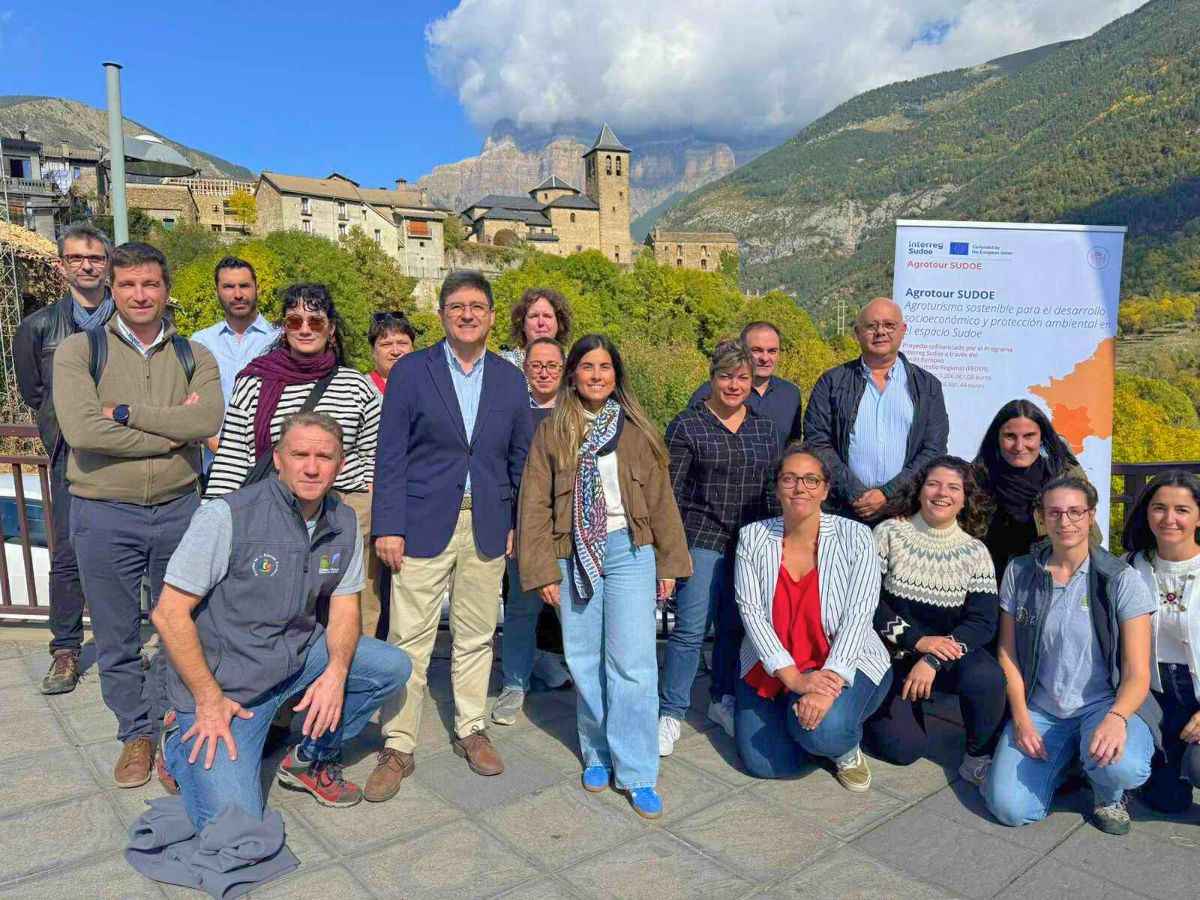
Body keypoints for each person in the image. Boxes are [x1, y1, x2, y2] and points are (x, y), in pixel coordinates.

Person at [152, 413, 412, 818]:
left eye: (324, 456)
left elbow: (345, 608)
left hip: (294, 659)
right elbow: (169, 614)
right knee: (234, 824)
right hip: (227, 686)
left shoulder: (342, 520)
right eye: (300, 454)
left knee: (390, 666)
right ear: (277, 459)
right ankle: (176, 742)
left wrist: (336, 676)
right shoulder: (227, 516)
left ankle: (309, 758)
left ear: (340, 464)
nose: (312, 466)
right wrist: (207, 699)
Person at [53, 242, 223, 788]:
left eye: (150, 284)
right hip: (104, 514)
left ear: (166, 289)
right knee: (117, 635)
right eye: (127, 285)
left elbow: (211, 420)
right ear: (112, 290)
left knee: (184, 629)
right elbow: (82, 432)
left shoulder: (196, 356)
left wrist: (124, 416)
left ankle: (175, 732)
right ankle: (135, 733)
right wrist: (173, 432)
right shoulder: (80, 353)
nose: (140, 294)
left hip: (179, 510)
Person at [370, 270, 533, 800]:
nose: (467, 314)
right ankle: (398, 743)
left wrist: (512, 523)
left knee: (477, 634)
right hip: (419, 523)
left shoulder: (510, 379)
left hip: (485, 524)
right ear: (441, 314)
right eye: (457, 306)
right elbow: (390, 454)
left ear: (490, 315)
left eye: (477, 306)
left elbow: (519, 459)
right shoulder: (413, 371)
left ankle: (470, 727)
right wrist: (388, 525)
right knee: (408, 638)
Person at [518, 334, 690, 818]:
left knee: (634, 662)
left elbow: (660, 501)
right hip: (572, 553)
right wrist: (543, 569)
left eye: (606, 367)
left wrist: (669, 565)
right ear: (573, 374)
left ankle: (636, 770)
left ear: (617, 375)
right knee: (584, 656)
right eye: (588, 366)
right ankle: (596, 751)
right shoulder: (553, 431)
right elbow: (533, 504)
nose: (597, 375)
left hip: (630, 552)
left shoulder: (637, 430)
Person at [983, 475, 1159, 836]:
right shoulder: (1019, 572)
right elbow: (1008, 653)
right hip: (1042, 707)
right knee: (1010, 809)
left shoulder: (1119, 579)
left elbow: (1138, 671)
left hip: (1102, 704)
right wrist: (1020, 718)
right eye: (1055, 513)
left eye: (1076, 512)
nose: (1066, 522)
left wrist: (1117, 718)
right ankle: (1071, 761)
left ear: (1091, 515)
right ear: (1042, 518)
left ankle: (1109, 794)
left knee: (1121, 767)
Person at [205, 284, 383, 636]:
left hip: (345, 509)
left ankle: (352, 680)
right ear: (283, 328)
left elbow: (377, 457)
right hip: (277, 509)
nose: (304, 328)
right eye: (294, 320)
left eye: (315, 322)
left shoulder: (356, 386)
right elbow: (234, 457)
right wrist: (214, 519)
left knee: (353, 611)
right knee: (280, 609)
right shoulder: (254, 383)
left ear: (331, 329)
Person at [733, 442, 893, 792]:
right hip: (777, 665)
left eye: (810, 479)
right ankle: (800, 720)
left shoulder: (856, 536)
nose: (799, 488)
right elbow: (752, 613)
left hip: (845, 659)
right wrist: (795, 680)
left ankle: (843, 746)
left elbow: (859, 614)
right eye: (789, 479)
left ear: (825, 489)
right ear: (777, 487)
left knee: (825, 731)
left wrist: (828, 683)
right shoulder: (753, 537)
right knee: (768, 764)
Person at [659, 340, 779, 757]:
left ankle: (721, 700)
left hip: (750, 539)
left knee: (735, 625)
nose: (734, 384)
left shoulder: (764, 428)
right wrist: (669, 558)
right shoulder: (687, 426)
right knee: (691, 629)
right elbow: (668, 497)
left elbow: (771, 489)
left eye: (743, 377)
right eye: (726, 376)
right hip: (702, 536)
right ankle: (670, 711)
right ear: (712, 377)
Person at [14, 223, 115, 695]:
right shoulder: (37, 327)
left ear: (107, 263)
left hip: (128, 451)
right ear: (62, 266)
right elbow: (36, 393)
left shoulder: (134, 320)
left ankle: (133, 645)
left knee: (135, 551)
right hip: (69, 455)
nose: (87, 265)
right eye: (77, 258)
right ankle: (66, 649)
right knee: (69, 553)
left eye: (95, 257)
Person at [862, 456, 1005, 786]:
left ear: (965, 497)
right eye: (934, 484)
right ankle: (863, 715)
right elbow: (867, 602)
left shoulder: (975, 551)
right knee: (903, 749)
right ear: (920, 490)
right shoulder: (889, 534)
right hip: (893, 656)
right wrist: (915, 642)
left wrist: (932, 658)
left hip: (945, 658)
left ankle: (977, 757)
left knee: (987, 677)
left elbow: (982, 621)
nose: (943, 493)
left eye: (954, 487)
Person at [803, 297, 948, 523]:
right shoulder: (831, 382)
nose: (880, 332)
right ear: (857, 333)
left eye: (889, 325)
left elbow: (933, 449)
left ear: (903, 330)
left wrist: (888, 494)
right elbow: (817, 442)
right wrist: (856, 493)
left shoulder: (927, 386)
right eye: (871, 326)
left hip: (904, 514)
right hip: (843, 512)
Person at [493, 337, 571, 725]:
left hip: (571, 530)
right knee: (522, 609)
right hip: (525, 526)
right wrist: (509, 524)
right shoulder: (511, 412)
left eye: (552, 366)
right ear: (525, 369)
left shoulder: (577, 412)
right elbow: (500, 473)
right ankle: (515, 682)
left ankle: (591, 688)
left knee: (573, 611)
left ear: (563, 369)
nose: (544, 372)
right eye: (536, 365)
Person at [1122, 471, 1200, 813]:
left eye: (1182, 510)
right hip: (1150, 693)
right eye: (1159, 508)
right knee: (1165, 799)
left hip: (1195, 692)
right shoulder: (1129, 567)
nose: (1169, 519)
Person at [973, 399, 1096, 581]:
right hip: (990, 579)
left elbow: (1090, 533)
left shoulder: (1064, 473)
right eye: (1010, 436)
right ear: (997, 438)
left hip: (1052, 578)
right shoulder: (978, 476)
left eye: (1029, 436)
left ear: (1042, 437)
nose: (1019, 446)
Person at [189, 256, 279, 417]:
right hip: (213, 440)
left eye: (244, 286)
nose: (238, 294)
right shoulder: (200, 343)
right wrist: (210, 441)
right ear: (216, 292)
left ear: (257, 288)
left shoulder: (280, 339)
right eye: (228, 287)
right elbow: (192, 400)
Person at [688, 322, 803, 448]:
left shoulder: (790, 394)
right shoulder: (711, 392)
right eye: (756, 350)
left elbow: (793, 445)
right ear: (742, 351)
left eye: (772, 351)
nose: (765, 358)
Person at [499, 286, 572, 370]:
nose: (541, 322)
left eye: (547, 316)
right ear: (522, 324)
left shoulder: (571, 365)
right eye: (534, 316)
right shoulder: (503, 363)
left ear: (559, 323)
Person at [368, 311, 416, 395]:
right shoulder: (360, 389)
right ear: (373, 350)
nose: (396, 351)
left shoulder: (429, 385)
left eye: (402, 343)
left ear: (413, 348)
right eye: (386, 344)